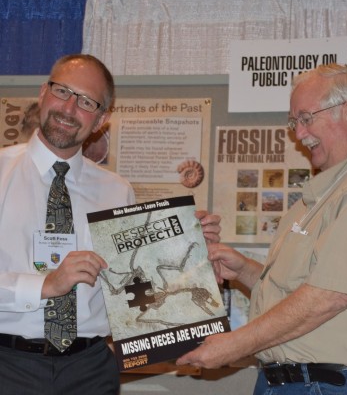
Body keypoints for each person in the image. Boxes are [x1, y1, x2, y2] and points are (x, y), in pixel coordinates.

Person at [0, 54, 221, 395]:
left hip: (90, 370)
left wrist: (190, 256)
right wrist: (45, 285)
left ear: (101, 119)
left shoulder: (117, 190)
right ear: (43, 93)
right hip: (8, 366)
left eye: (87, 102)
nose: (69, 108)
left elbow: (134, 286)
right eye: (62, 92)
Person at [176, 64, 347, 394]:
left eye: (306, 118)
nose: (299, 133)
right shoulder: (324, 191)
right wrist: (245, 270)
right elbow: (306, 287)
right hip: (297, 382)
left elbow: (330, 296)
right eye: (295, 122)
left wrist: (235, 344)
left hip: (341, 383)